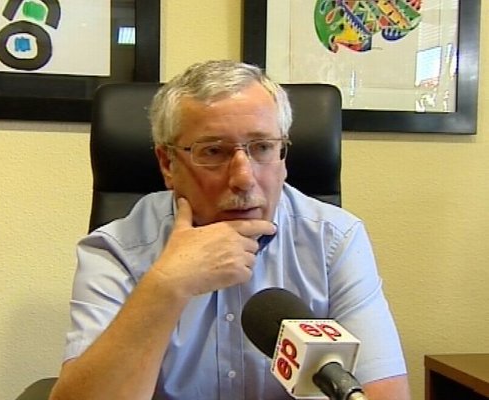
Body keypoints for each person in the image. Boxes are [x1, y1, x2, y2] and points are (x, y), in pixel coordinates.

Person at [50, 60, 410, 400]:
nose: (243, 178)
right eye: (213, 152)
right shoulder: (117, 251)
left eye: (263, 148)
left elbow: (383, 393)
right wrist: (167, 286)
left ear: (283, 156)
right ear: (168, 163)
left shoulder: (335, 239)